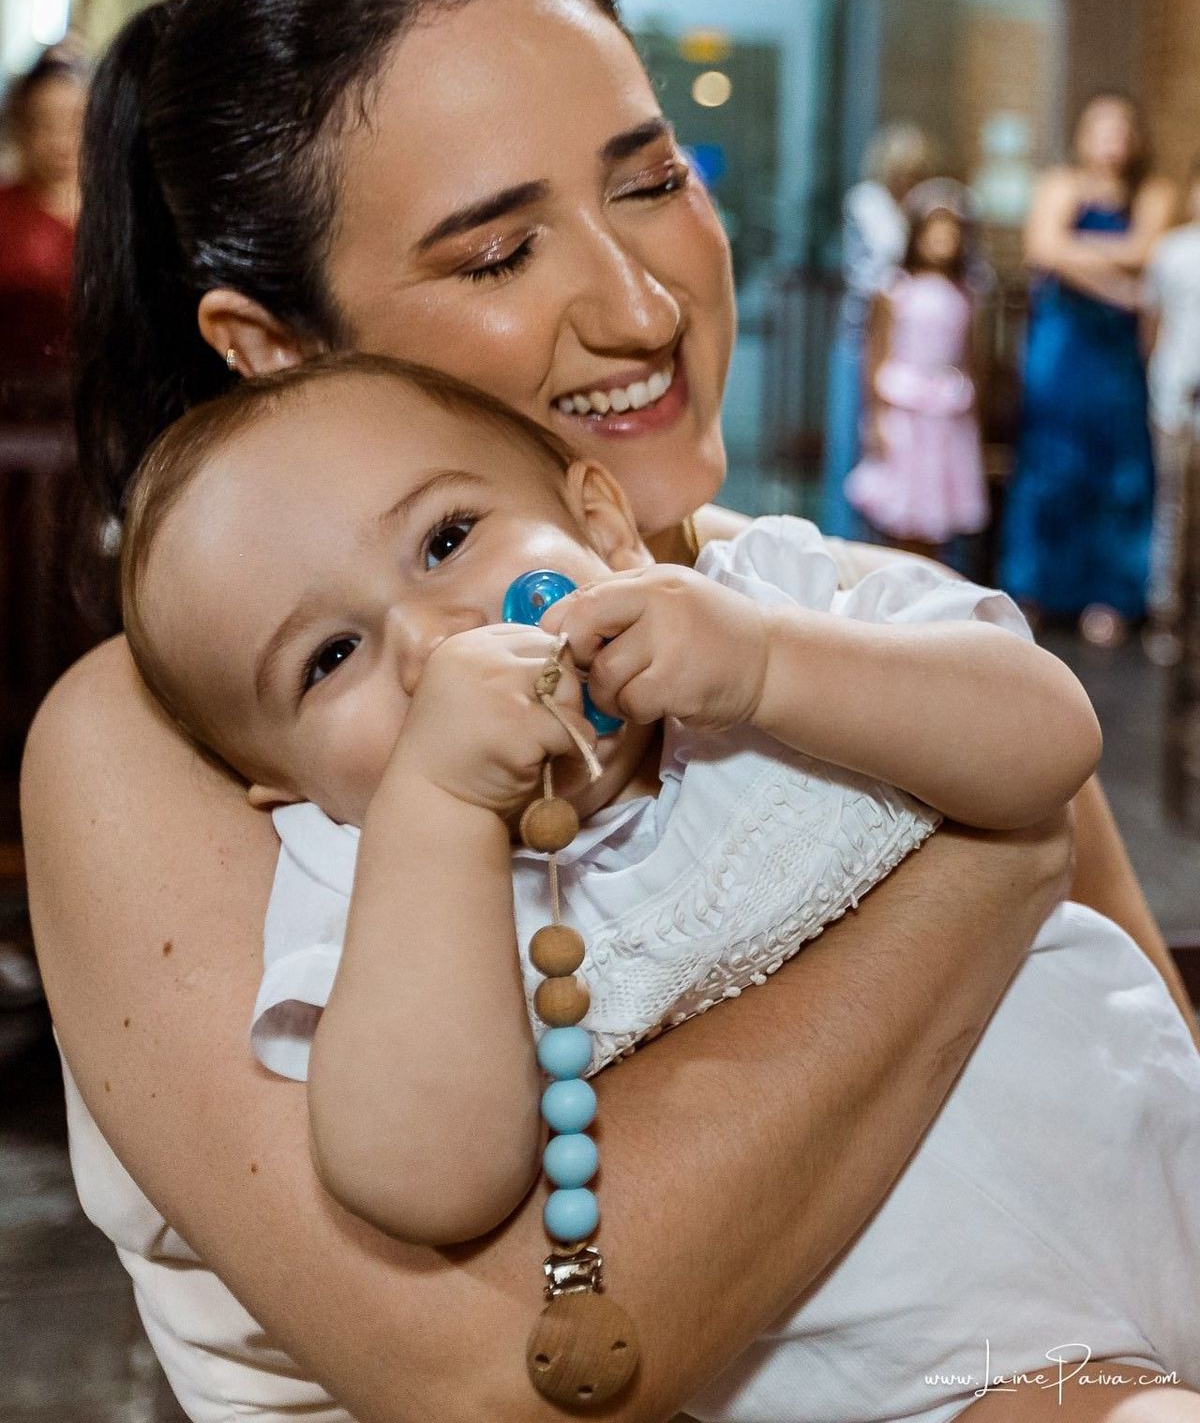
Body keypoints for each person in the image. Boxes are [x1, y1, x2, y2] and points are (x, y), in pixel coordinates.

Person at [21, 0, 1193, 1423]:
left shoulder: (844, 608)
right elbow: (506, 1377)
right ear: (273, 346)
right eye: (497, 254)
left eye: (651, 183)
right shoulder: (181, 734)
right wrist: (983, 856)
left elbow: (1150, 1061)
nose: (643, 304)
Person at [114, 352, 1200, 1416]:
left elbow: (1050, 747)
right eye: (328, 659)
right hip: (949, 1381)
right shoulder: (375, 888)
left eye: (447, 539)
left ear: (602, 522)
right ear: (280, 786)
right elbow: (427, 1178)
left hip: (1166, 1162)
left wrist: (774, 666)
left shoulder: (783, 599)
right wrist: (437, 816)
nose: (432, 643)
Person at [1000, 92, 1177, 646]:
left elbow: (1145, 250)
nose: (1112, 137)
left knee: (1117, 468)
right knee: (1051, 464)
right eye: (1101, 126)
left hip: (1115, 355)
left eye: (1121, 126)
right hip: (1063, 348)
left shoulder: (1155, 191)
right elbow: (1041, 249)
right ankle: (1036, 588)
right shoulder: (1059, 184)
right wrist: (1116, 285)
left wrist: (1076, 256)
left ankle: (1111, 595)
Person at [845, 179, 989, 557]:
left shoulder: (965, 293)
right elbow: (875, 353)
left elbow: (970, 355)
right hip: (906, 413)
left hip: (945, 414)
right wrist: (875, 418)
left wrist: (974, 411)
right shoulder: (895, 289)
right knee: (903, 509)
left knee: (937, 508)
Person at [822, 122, 936, 540]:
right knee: (858, 451)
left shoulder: (929, 204)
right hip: (864, 341)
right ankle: (848, 544)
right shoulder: (867, 204)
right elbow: (877, 271)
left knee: (910, 459)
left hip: (917, 355)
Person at [0, 44, 87, 379]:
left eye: (73, 123)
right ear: (23, 126)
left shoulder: (115, 216)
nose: (60, 140)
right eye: (45, 124)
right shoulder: (7, 211)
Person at [1142, 164, 1200, 657]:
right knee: (1171, 507)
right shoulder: (1173, 251)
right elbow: (1152, 324)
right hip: (1176, 396)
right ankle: (1166, 614)